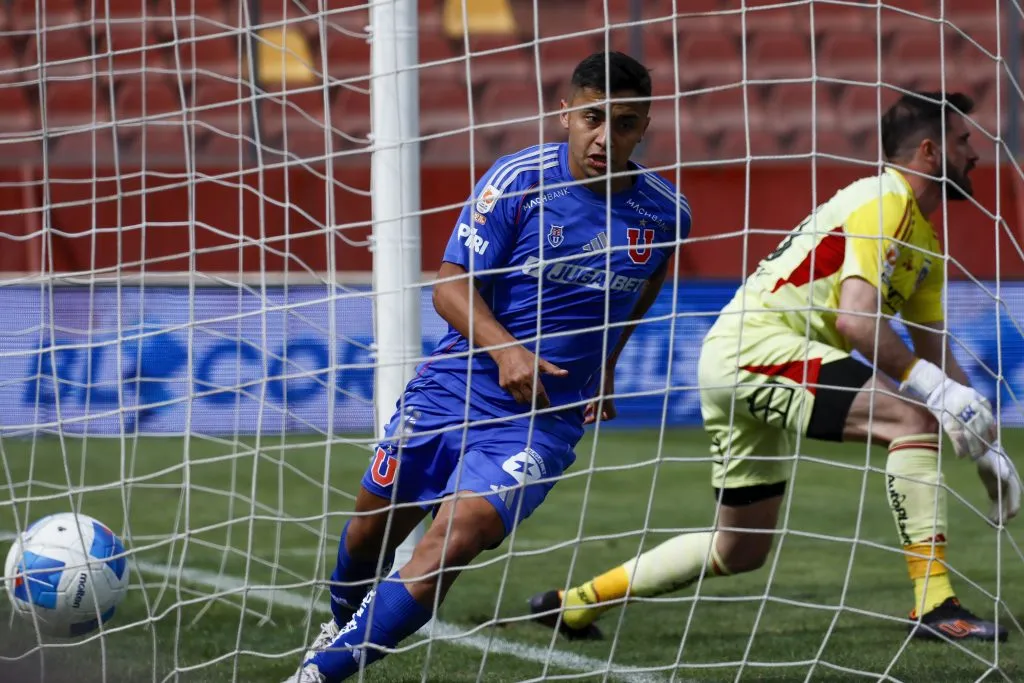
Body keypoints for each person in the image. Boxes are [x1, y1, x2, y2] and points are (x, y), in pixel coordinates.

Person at [528, 91, 1020, 644]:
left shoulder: (923, 243)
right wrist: (938, 398)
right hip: (761, 347)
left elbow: (935, 352)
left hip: (737, 356)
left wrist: (984, 439)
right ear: (930, 151)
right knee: (910, 422)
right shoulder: (886, 200)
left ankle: (576, 604)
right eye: (964, 141)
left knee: (738, 550)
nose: (976, 153)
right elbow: (858, 323)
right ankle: (935, 607)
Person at [285, 50, 691, 682]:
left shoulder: (665, 212)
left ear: (645, 128)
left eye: (626, 124)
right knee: (371, 531)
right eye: (593, 117)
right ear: (566, 113)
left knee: (455, 537)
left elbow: (644, 284)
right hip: (457, 385)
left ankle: (319, 676)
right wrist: (505, 350)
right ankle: (340, 621)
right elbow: (449, 288)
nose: (605, 138)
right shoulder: (519, 180)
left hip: (542, 418)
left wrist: (607, 362)